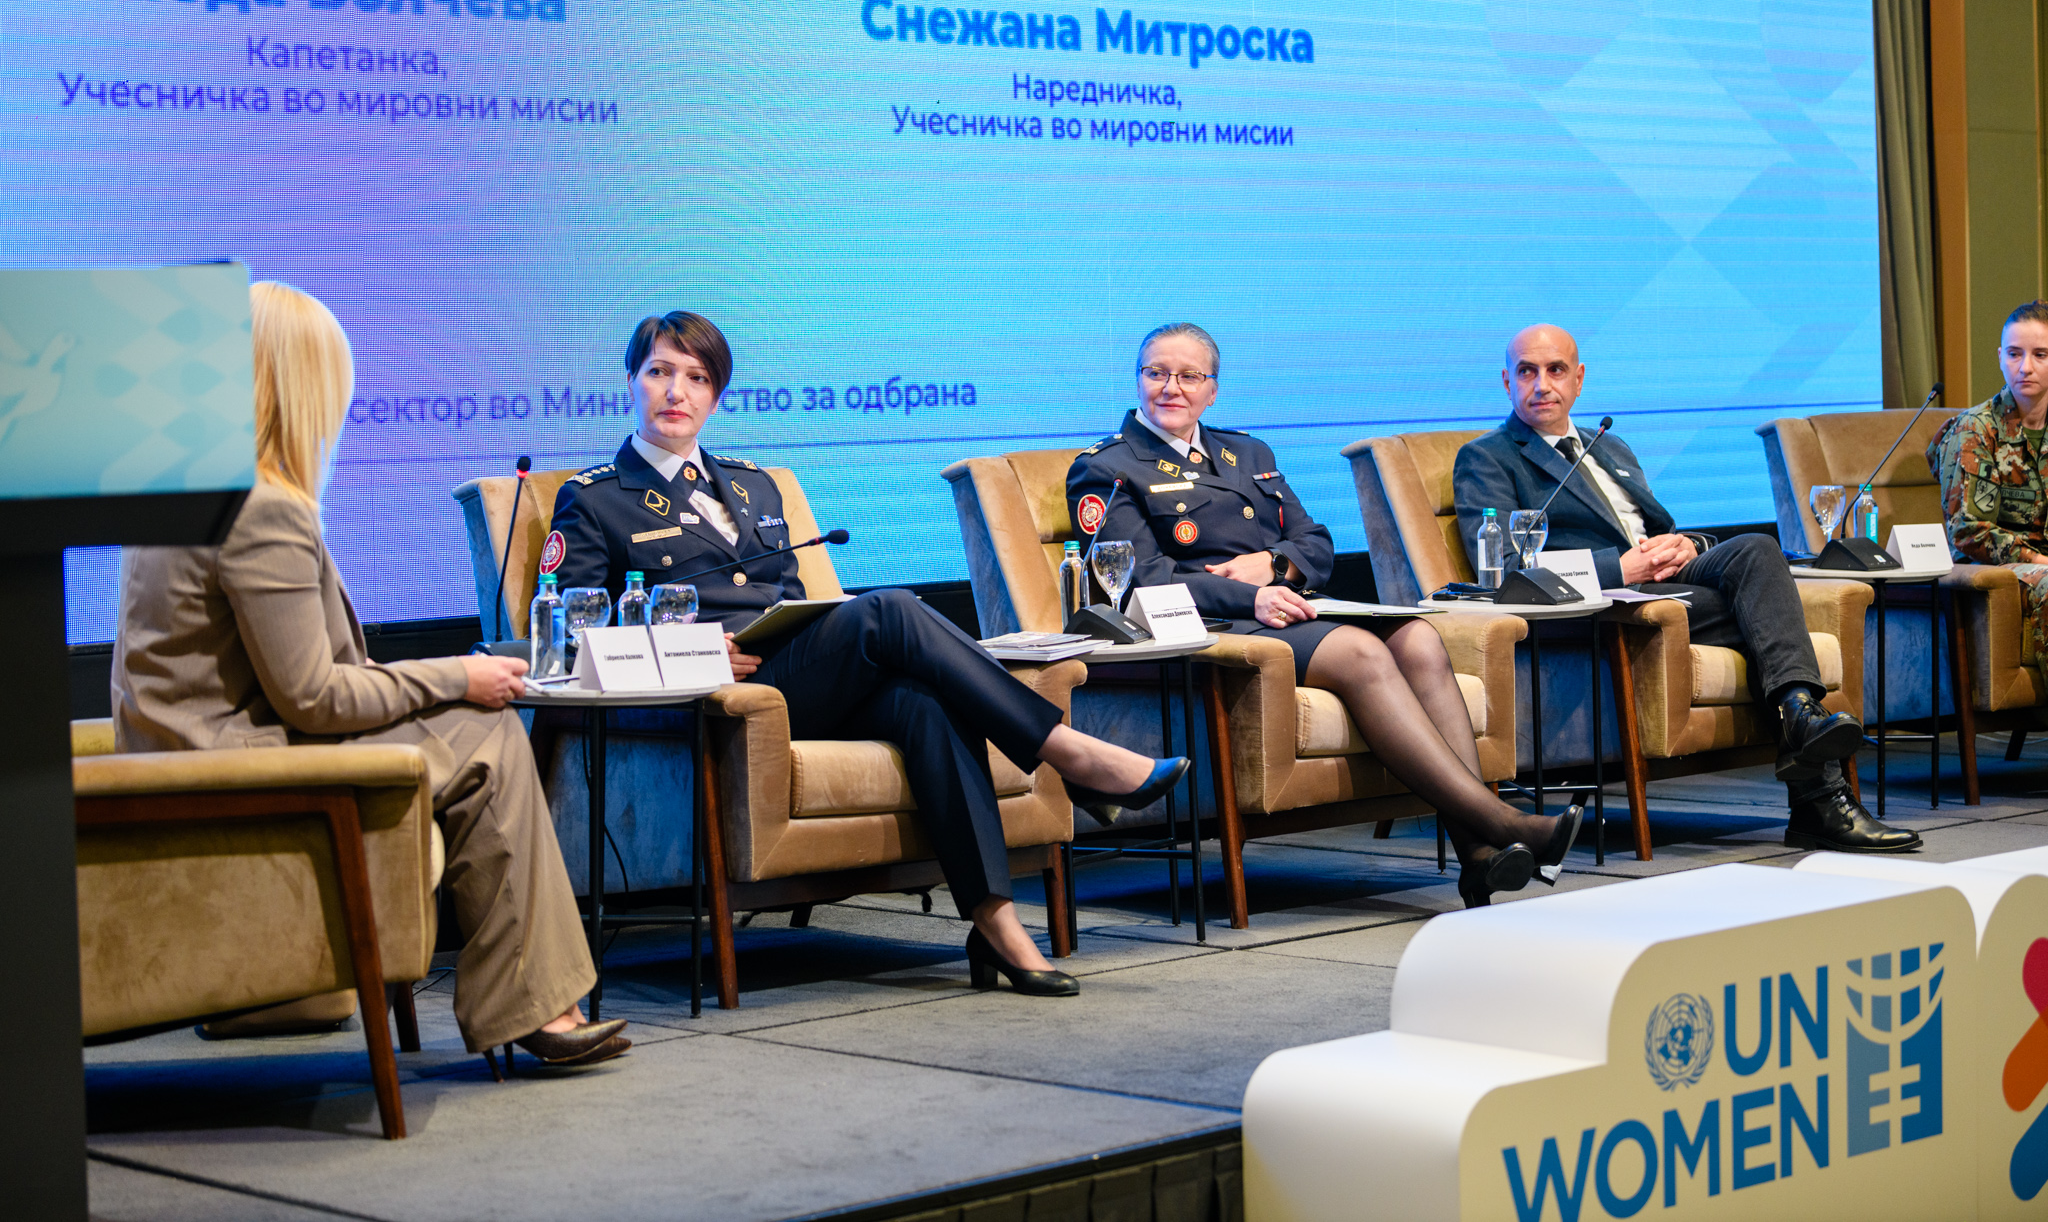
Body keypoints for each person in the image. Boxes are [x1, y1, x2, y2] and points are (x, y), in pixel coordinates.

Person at [545, 311, 1190, 996]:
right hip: (719, 700)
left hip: (793, 676)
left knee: (926, 702)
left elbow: (788, 601)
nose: (677, 391)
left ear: (717, 395)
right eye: (660, 372)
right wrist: (696, 653)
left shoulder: (753, 485)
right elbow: (569, 634)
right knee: (890, 608)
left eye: (697, 378)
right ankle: (1069, 753)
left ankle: (995, 921)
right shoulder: (594, 499)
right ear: (631, 381)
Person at [113, 281, 630, 1068]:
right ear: (302, 384)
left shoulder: (186, 490)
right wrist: (458, 676)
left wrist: (451, 677)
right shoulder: (262, 508)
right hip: (238, 773)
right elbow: (316, 697)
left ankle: (534, 1001)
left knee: (475, 717)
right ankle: (535, 1007)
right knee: (488, 730)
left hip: (193, 760)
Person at [1065, 322, 1583, 908]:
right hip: (1206, 626)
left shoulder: (1247, 452)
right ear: (1137, 380)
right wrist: (1250, 597)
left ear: (1212, 390)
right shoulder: (1108, 467)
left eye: (1189, 376)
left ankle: (1479, 857)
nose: (1171, 387)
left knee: (1418, 638)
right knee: (1360, 651)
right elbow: (1141, 580)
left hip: (1280, 606)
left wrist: (1272, 566)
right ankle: (1503, 824)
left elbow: (1315, 543)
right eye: (1156, 373)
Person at [1452, 323, 1919, 854]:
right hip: (1605, 603)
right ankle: (1820, 790)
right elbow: (1505, 568)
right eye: (1526, 372)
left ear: (1578, 379)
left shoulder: (1609, 446)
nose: (1542, 384)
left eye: (1555, 370)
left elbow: (1661, 528)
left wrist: (1689, 546)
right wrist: (1617, 568)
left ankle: (1799, 717)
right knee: (1762, 612)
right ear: (1506, 382)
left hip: (1665, 581)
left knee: (1757, 549)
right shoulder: (1487, 456)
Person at [1927, 301, 2048, 679]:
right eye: (2014, 354)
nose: (2025, 367)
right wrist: (2039, 560)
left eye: (2040, 355)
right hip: (1999, 567)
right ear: (2000, 358)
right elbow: (1967, 530)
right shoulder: (1975, 430)